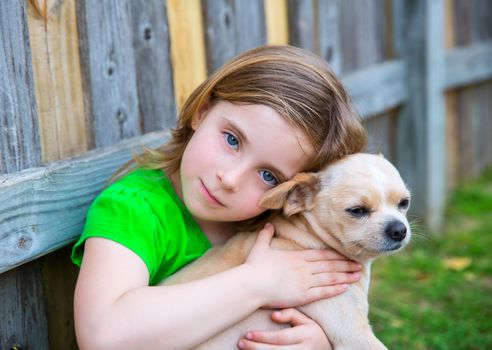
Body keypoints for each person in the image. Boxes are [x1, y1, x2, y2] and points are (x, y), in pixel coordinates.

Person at [72, 45, 367, 350]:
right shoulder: (133, 209)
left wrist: (318, 341)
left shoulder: (274, 224)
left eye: (268, 176)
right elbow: (103, 336)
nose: (230, 179)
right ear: (202, 110)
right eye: (232, 139)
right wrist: (257, 283)